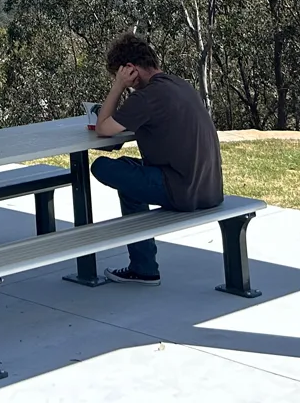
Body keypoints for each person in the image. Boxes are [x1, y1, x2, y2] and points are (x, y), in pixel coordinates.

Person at [90, 31, 224, 285]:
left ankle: (144, 267)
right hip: (210, 188)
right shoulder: (179, 84)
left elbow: (103, 128)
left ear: (129, 69)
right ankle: (143, 267)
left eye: (121, 75)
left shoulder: (147, 97)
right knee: (129, 176)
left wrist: (117, 87)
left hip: (183, 190)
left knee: (103, 167)